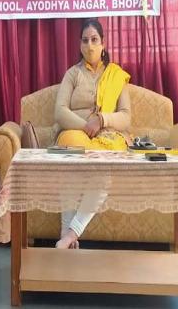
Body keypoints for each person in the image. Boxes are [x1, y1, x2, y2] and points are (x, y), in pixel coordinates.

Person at [54, 18, 131, 249]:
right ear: (79, 45)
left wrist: (102, 119)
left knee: (103, 171)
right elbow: (59, 111)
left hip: (106, 137)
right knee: (71, 159)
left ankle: (69, 234)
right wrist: (85, 126)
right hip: (75, 134)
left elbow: (126, 116)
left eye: (94, 40)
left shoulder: (116, 75)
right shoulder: (72, 74)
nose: (90, 45)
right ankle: (68, 234)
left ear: (103, 43)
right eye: (85, 41)